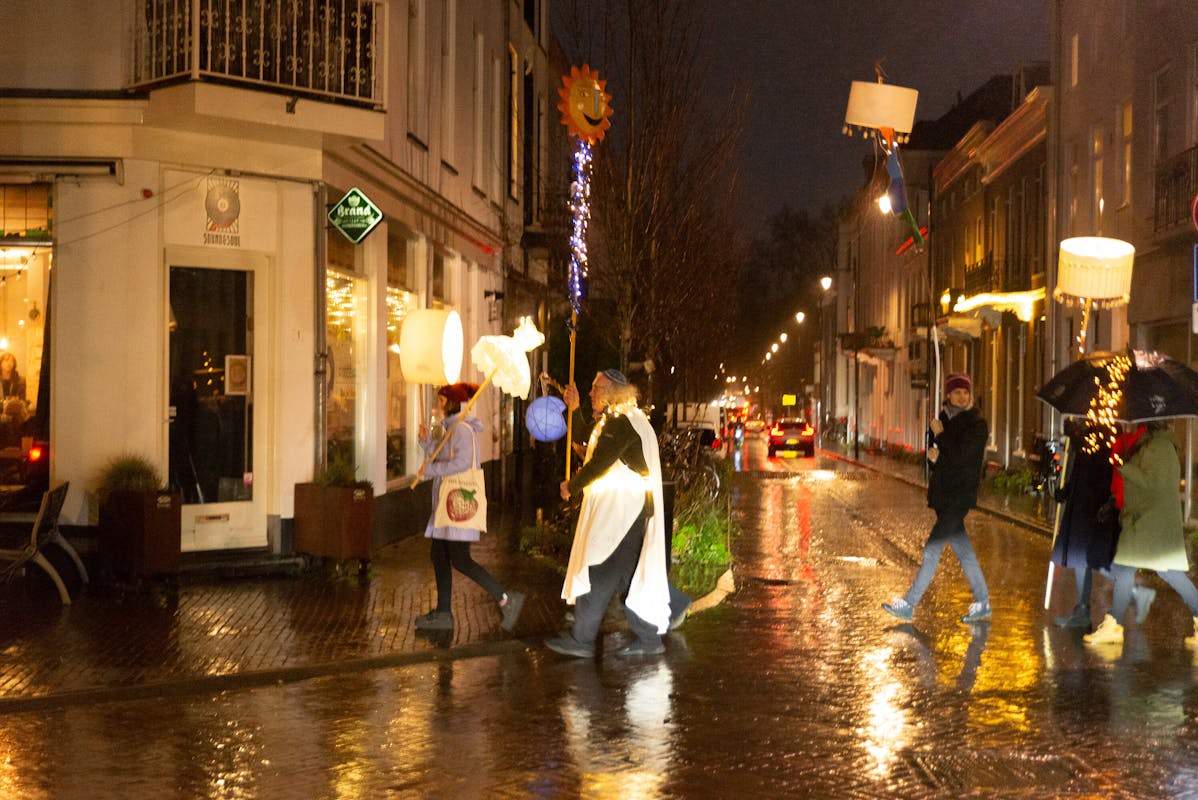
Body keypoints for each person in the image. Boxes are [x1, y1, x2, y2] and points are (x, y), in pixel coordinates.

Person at [546, 369, 671, 658]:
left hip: (622, 514)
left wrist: (571, 487)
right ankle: (647, 638)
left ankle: (583, 640)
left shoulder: (621, 423)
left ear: (613, 392)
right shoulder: (621, 419)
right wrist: (575, 409)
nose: (591, 393)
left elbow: (599, 462)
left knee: (599, 571)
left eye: (596, 388)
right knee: (625, 577)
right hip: (625, 513)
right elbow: (587, 438)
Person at [413, 382, 523, 632]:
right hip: (446, 504)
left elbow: (462, 463)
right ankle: (443, 612)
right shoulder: (449, 428)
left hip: (456, 503)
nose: (438, 405)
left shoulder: (461, 429)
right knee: (439, 554)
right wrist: (426, 443)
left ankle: (506, 599)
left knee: (460, 559)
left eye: (442, 400)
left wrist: (432, 469)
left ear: (452, 403)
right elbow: (441, 455)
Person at [883, 372, 991, 624]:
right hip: (944, 495)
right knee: (965, 553)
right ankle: (983, 602)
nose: (961, 396)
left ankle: (909, 603)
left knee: (932, 549)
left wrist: (941, 436)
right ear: (949, 395)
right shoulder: (942, 420)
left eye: (965, 392)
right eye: (957, 392)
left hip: (959, 496)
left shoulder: (977, 424)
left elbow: (962, 458)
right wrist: (933, 458)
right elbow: (944, 457)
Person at [1085, 421, 1198, 646]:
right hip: (1146, 523)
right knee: (1134, 570)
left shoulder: (1160, 447)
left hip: (1150, 524)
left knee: (1132, 570)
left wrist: (1125, 467)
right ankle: (1113, 624)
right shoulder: (1153, 445)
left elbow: (1152, 483)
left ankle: (1113, 625)